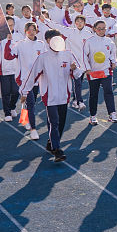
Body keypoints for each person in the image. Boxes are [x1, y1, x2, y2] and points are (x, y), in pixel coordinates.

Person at [19, 30, 83, 162]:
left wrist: (74, 68)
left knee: (61, 123)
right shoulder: (43, 58)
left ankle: (51, 142)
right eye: (54, 38)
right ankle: (57, 150)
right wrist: (25, 91)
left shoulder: (68, 54)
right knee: (54, 122)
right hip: (50, 95)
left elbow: (78, 74)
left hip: (64, 96)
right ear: (48, 41)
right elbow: (32, 76)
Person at [83, 19, 117, 124]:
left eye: (104, 29)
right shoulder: (89, 41)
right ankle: (93, 116)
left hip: (106, 71)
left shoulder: (109, 41)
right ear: (94, 29)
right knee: (94, 94)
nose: (102, 31)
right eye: (99, 29)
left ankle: (112, 114)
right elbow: (84, 56)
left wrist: (114, 62)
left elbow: (113, 55)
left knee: (108, 91)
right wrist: (87, 68)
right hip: (93, 72)